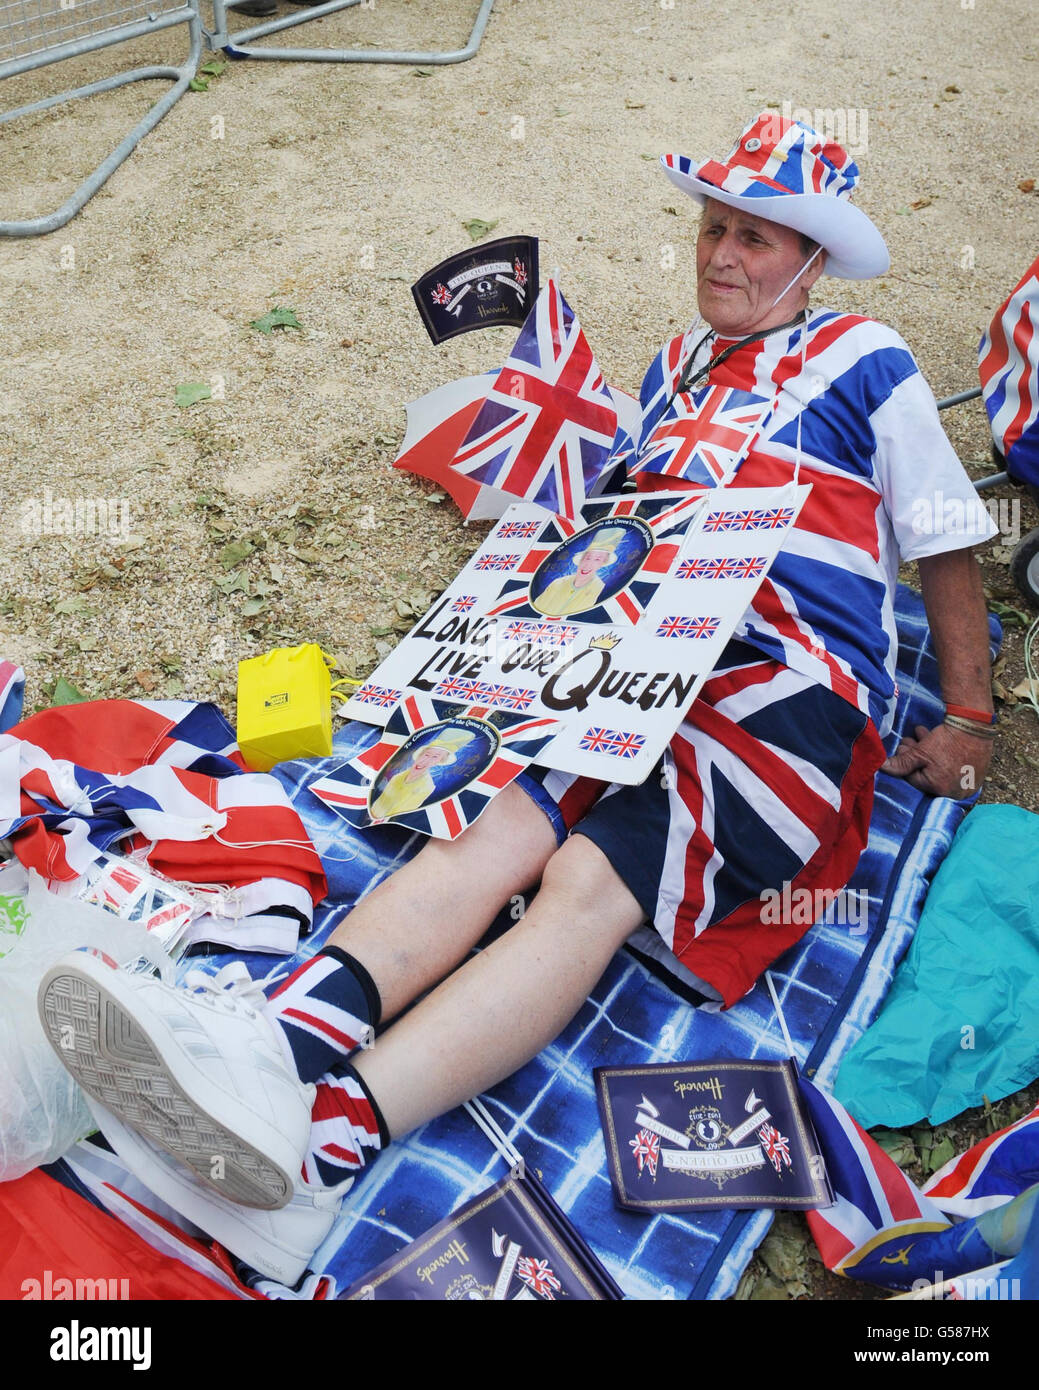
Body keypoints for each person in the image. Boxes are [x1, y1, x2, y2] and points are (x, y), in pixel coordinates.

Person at [39, 113, 999, 1280]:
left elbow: (945, 541)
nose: (719, 256)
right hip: (640, 667)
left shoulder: (868, 361)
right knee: (484, 816)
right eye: (711, 228)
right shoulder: (672, 370)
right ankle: (283, 1044)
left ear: (810, 260)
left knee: (588, 880)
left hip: (784, 699)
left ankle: (331, 1145)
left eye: (754, 237)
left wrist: (967, 717)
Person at [530, 526, 627, 617]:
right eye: (587, 558)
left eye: (597, 559)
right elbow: (536, 611)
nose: (588, 564)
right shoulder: (557, 583)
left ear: (603, 563)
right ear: (581, 559)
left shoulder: (601, 591)